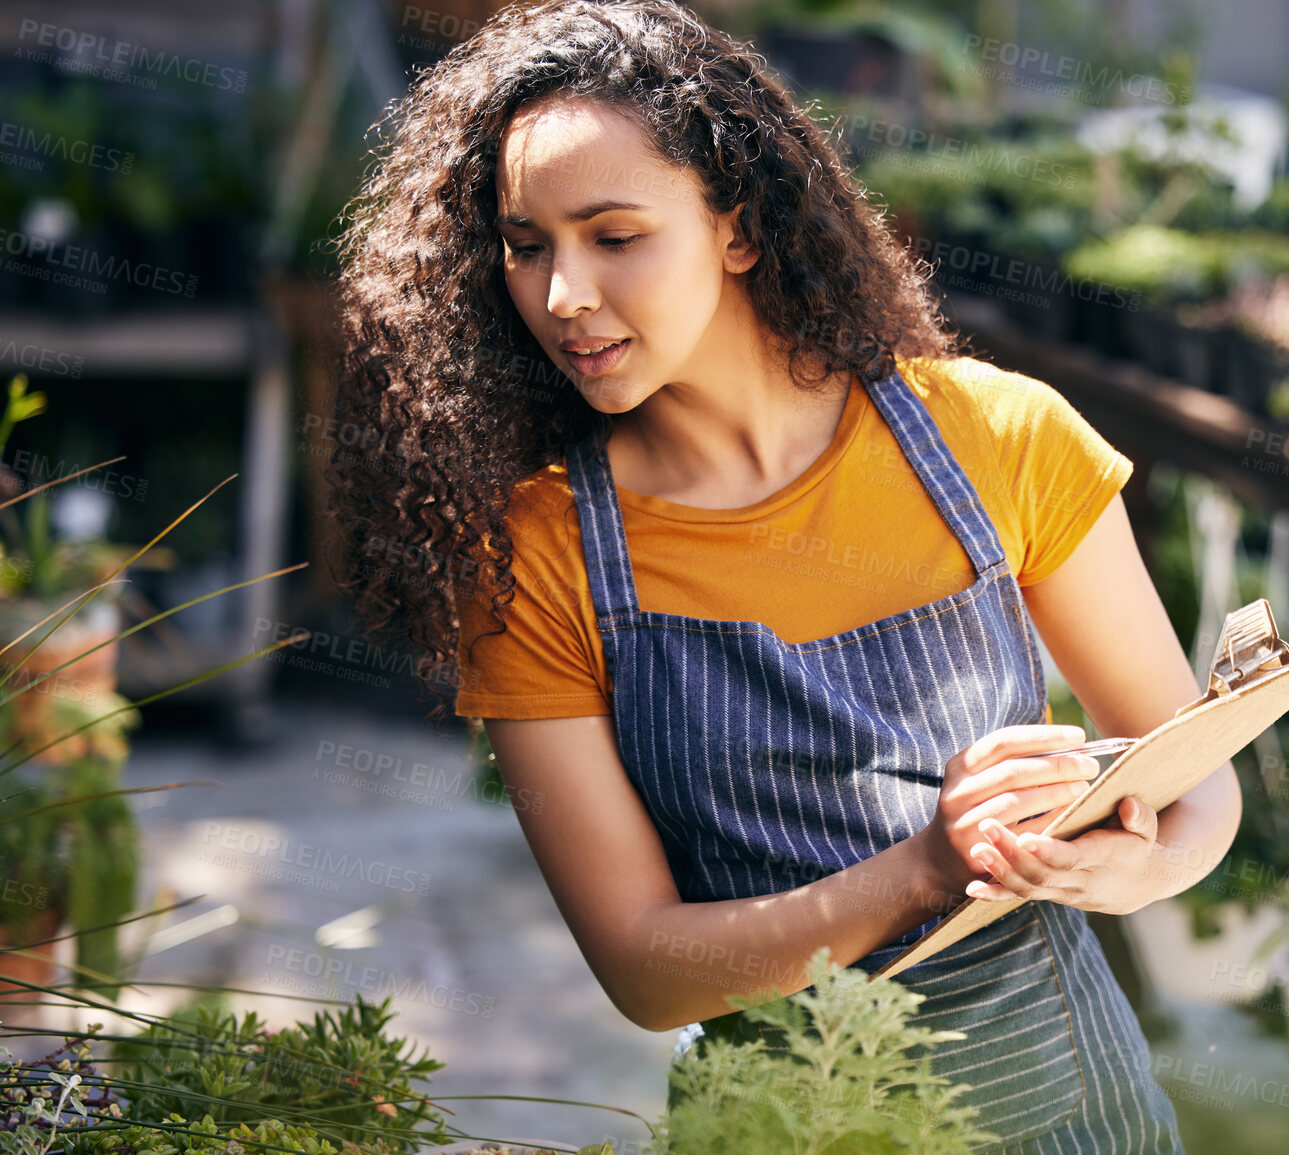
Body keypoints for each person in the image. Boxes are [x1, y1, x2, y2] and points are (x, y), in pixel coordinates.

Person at [326, 1, 1239, 1150]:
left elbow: (1201, 786)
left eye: (613, 236)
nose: (562, 293)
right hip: (780, 1125)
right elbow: (643, 969)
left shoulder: (999, 438)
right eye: (526, 246)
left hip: (1076, 1111)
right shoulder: (541, 554)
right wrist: (925, 869)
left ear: (739, 228)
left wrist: (1128, 867)